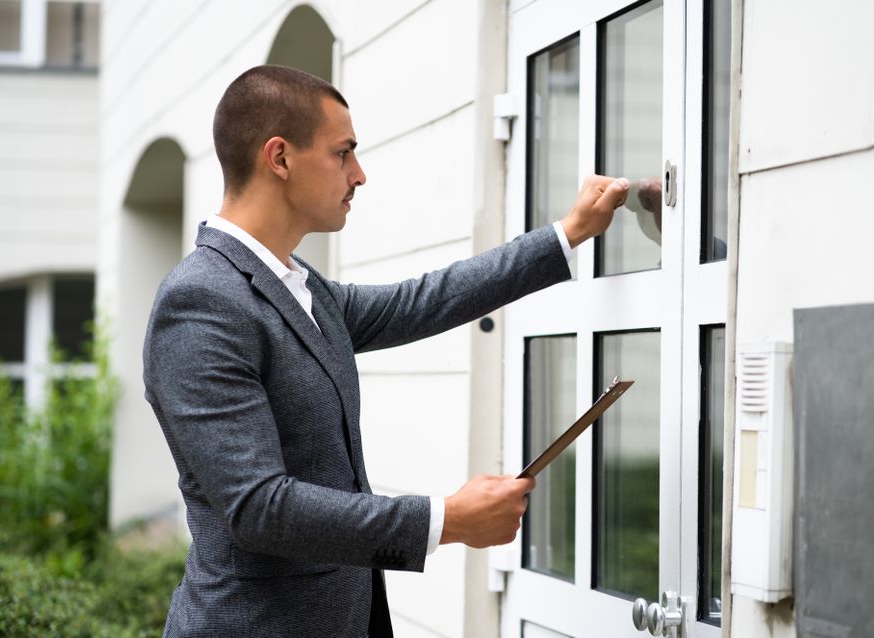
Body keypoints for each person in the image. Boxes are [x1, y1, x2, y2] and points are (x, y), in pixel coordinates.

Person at [142, 65, 629, 638]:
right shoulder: (201, 302)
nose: (360, 174)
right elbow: (259, 508)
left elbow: (419, 301)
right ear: (280, 158)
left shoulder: (301, 287)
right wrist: (447, 518)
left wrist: (565, 234)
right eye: (343, 153)